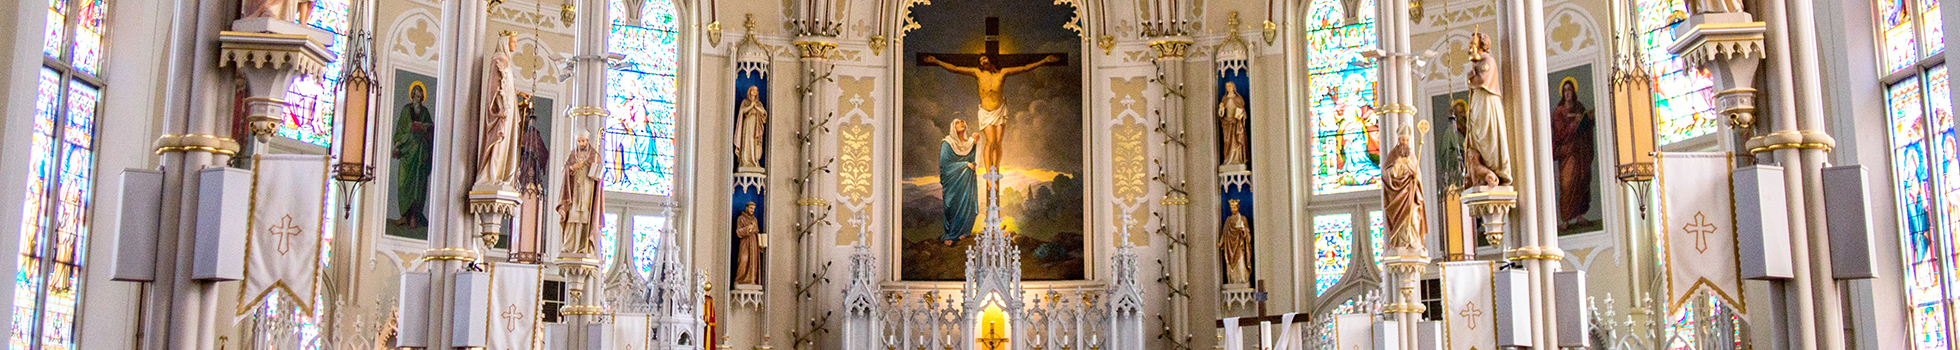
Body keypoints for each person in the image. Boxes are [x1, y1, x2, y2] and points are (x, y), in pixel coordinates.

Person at [1552, 79, 1596, 228]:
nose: (1568, 93)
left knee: (1581, 180)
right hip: (1567, 153)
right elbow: (1560, 133)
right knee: (1567, 184)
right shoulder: (1559, 112)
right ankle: (1565, 220)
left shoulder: (1579, 107)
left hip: (1579, 151)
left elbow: (1585, 126)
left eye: (1570, 90)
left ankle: (1579, 216)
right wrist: (1574, 124)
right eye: (1565, 91)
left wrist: (1587, 120)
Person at [391, 83, 435, 228]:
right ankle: (404, 215)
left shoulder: (425, 112)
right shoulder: (406, 110)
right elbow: (400, 130)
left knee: (418, 185)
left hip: (420, 154)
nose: (417, 97)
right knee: (404, 184)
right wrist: (398, 144)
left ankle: (414, 216)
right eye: (415, 94)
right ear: (412, 96)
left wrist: (425, 128)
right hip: (407, 153)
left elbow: (431, 130)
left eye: (419, 95)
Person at [939, 119, 980, 246]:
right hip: (953, 182)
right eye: (957, 122)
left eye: (962, 122)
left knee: (968, 203)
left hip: (966, 181)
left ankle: (964, 231)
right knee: (951, 205)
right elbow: (945, 165)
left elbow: (973, 160)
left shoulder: (969, 143)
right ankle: (950, 234)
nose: (961, 124)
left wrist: (975, 143)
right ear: (953, 127)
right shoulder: (947, 143)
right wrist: (964, 164)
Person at [1218, 82, 1251, 166]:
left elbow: (1243, 111)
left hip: (1236, 123)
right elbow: (1221, 114)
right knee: (1227, 141)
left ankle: (1237, 159)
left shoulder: (1238, 99)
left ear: (1233, 87)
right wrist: (1221, 109)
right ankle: (1228, 159)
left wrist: (1240, 115)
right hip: (1227, 123)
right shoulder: (1224, 99)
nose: (1228, 88)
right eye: (1226, 86)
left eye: (1230, 86)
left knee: (1236, 140)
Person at [733, 202, 763, 285]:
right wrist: (747, 229)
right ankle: (739, 280)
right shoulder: (741, 218)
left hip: (753, 242)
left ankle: (751, 280)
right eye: (750, 208)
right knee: (744, 260)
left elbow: (757, 231)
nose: (752, 210)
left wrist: (761, 243)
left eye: (753, 209)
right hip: (745, 242)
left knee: (753, 262)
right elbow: (738, 231)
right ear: (746, 208)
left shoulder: (754, 220)